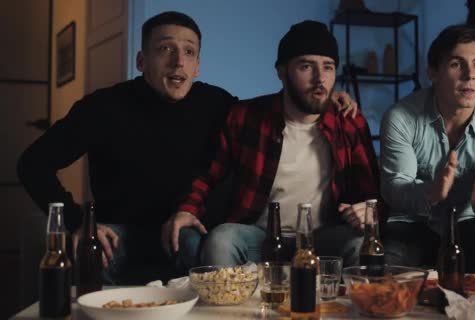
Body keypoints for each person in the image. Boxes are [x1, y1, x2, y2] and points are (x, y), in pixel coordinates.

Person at [17, 11, 357, 283]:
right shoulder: (102, 107)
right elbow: (32, 164)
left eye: (189, 52)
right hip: (123, 233)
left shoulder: (218, 104)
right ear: (141, 61)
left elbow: (275, 111)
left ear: (197, 65)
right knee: (92, 254)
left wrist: (326, 101)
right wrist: (78, 223)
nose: (178, 62)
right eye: (165, 49)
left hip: (192, 232)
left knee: (203, 250)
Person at [176, 20, 380, 267]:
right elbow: (208, 175)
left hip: (322, 238)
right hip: (261, 237)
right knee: (221, 239)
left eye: (328, 67)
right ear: (281, 72)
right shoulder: (246, 117)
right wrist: (187, 209)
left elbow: (374, 194)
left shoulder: (348, 122)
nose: (320, 79)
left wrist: (369, 212)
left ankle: (347, 307)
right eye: (306, 66)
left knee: (359, 242)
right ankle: (226, 306)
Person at [379, 24, 475, 274]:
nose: (470, 75)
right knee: (384, 266)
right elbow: (394, 189)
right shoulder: (400, 117)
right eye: (457, 64)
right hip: (413, 223)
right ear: (433, 72)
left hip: (469, 221)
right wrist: (431, 192)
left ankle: (473, 311)